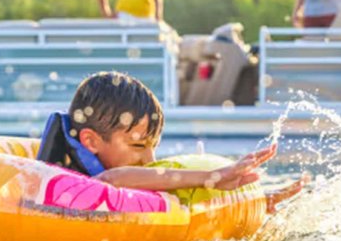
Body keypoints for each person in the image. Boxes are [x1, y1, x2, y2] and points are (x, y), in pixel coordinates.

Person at [37, 72, 302, 211]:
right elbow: (111, 181)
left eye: (153, 146)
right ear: (91, 141)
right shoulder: (73, 180)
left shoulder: (133, 176)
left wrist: (254, 203)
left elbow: (184, 199)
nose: (149, 159)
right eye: (138, 146)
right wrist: (210, 176)